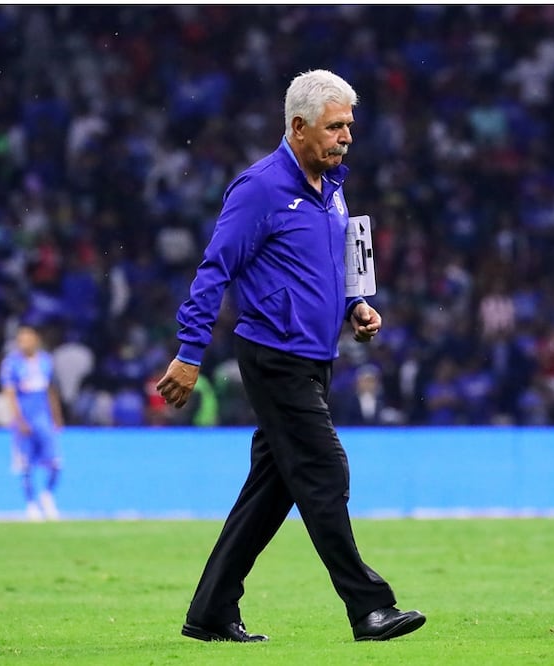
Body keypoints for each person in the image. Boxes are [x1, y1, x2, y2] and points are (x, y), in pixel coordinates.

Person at [155, 70, 425, 643]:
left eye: (349, 124)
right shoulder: (260, 188)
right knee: (326, 470)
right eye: (335, 127)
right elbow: (215, 270)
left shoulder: (331, 185)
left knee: (271, 489)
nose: (346, 136)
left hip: (316, 355)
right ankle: (370, 608)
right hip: (274, 355)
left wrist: (356, 305)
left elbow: (334, 264)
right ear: (298, 127)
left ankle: (209, 613)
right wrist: (189, 352)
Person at [0, 324, 64, 521]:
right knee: (26, 466)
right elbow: (9, 394)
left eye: (27, 338)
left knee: (55, 464)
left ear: (36, 339)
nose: (24, 343)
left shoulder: (46, 361)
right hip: (24, 420)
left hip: (43, 419)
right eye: (20, 339)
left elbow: (51, 390)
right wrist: (19, 420)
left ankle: (47, 495)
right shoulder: (11, 364)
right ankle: (30, 504)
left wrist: (57, 416)